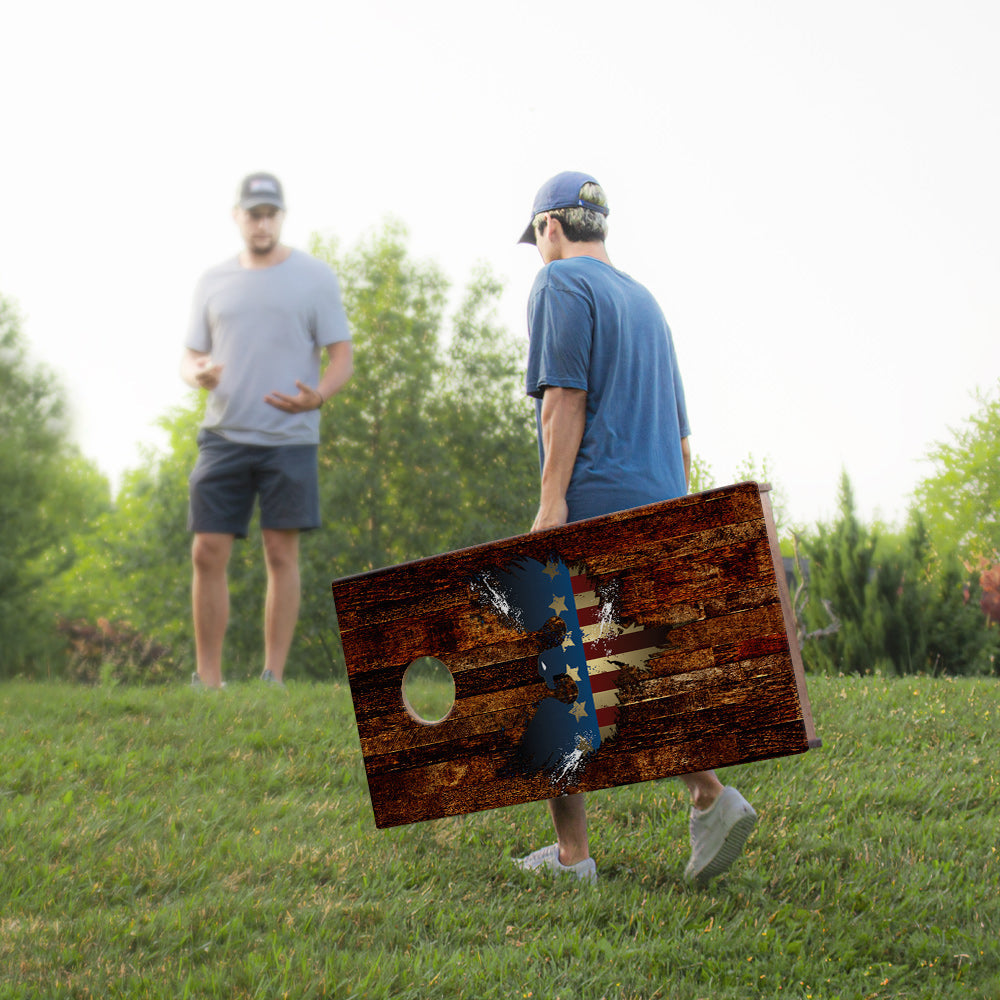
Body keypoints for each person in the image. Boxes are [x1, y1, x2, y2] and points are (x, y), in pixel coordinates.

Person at [512, 171, 757, 886]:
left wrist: (552, 502)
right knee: (629, 663)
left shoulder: (560, 284)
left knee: (559, 677)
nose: (536, 248)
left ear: (551, 227)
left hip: (593, 496)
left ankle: (572, 857)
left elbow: (564, 398)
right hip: (661, 499)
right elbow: (682, 439)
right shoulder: (647, 304)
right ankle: (710, 796)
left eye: (534, 236)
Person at [181, 172, 353, 689]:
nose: (261, 222)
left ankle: (272, 676)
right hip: (223, 436)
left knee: (281, 552)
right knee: (206, 550)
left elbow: (342, 356)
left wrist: (318, 395)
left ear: (281, 216)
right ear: (238, 216)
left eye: (270, 213)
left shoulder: (315, 277)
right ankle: (208, 679)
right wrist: (198, 373)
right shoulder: (211, 280)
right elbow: (190, 355)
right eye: (253, 213)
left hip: (289, 438)